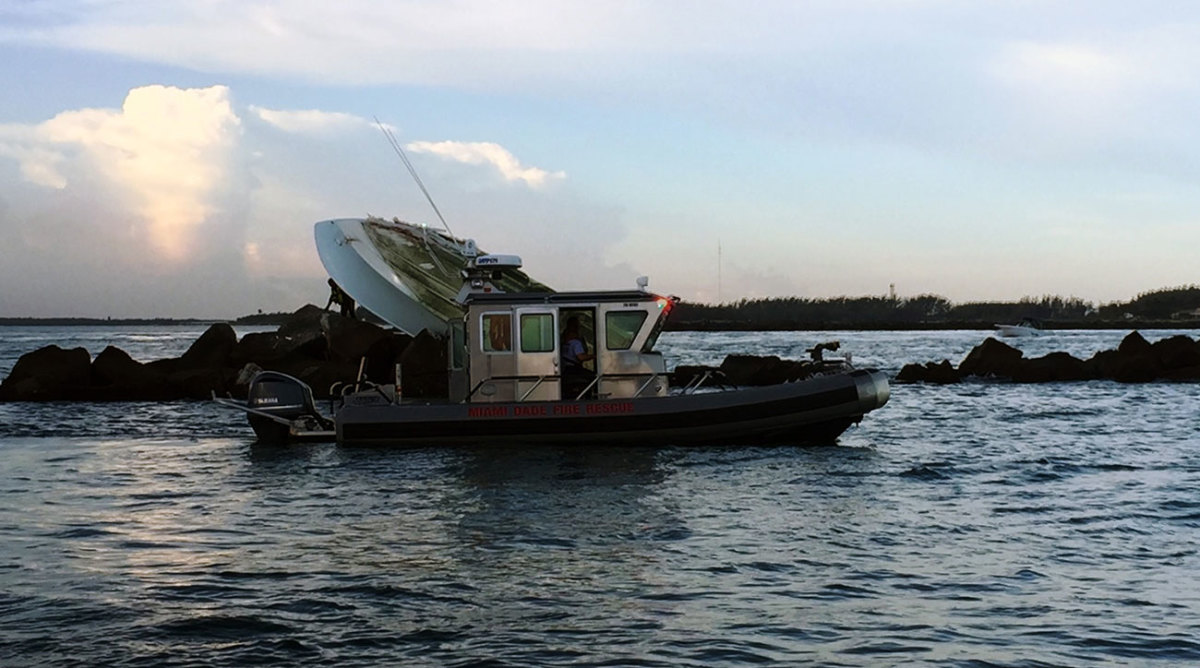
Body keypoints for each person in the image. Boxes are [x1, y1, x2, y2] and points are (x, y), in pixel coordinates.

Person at [560, 316, 594, 397]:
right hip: (574, 369)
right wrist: (594, 356)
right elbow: (581, 357)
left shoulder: (564, 343)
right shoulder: (576, 343)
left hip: (566, 370)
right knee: (594, 377)